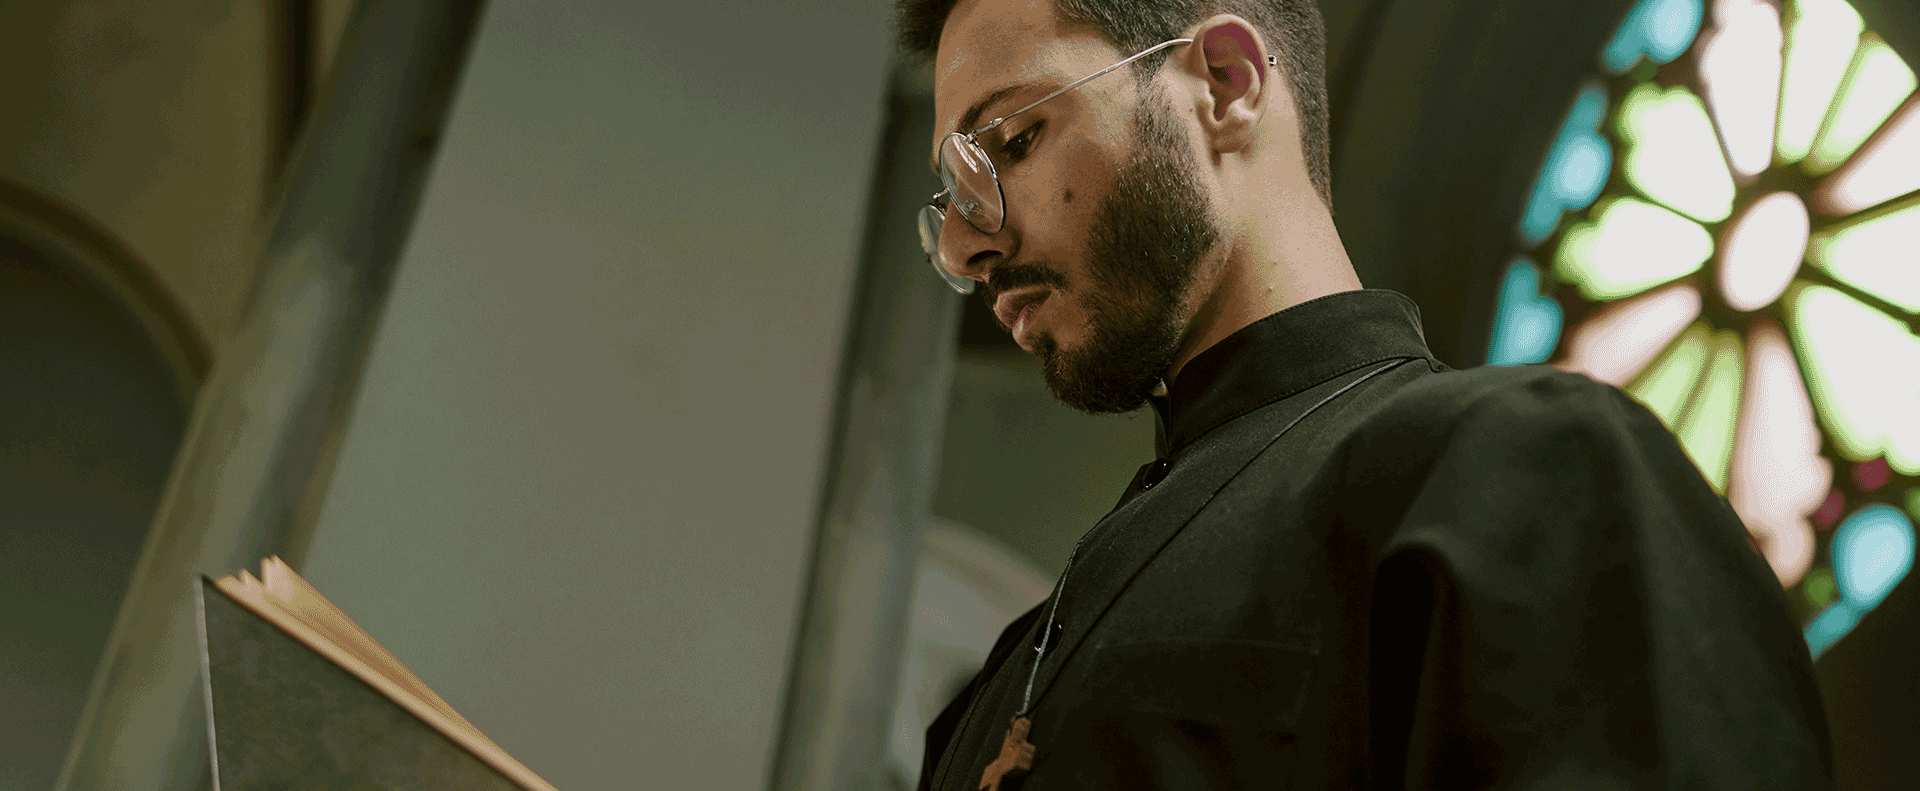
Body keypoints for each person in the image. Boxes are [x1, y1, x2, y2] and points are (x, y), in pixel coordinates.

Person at [897, 0, 1835, 788]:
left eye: (1013, 141)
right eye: (953, 196)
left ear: (1226, 84)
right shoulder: (1000, 676)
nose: (966, 246)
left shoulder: (1528, 469)